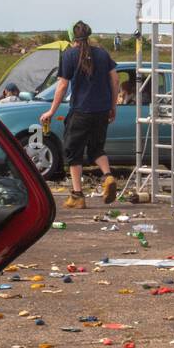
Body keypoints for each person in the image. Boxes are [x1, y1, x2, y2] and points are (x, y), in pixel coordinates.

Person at [39, 21, 120, 209]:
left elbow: (62, 85)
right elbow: (115, 80)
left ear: (71, 37)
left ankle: (77, 195)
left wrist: (51, 111)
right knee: (96, 149)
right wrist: (112, 106)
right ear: (89, 35)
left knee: (73, 151)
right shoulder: (102, 53)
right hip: (101, 111)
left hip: (81, 111)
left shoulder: (69, 55)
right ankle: (108, 176)